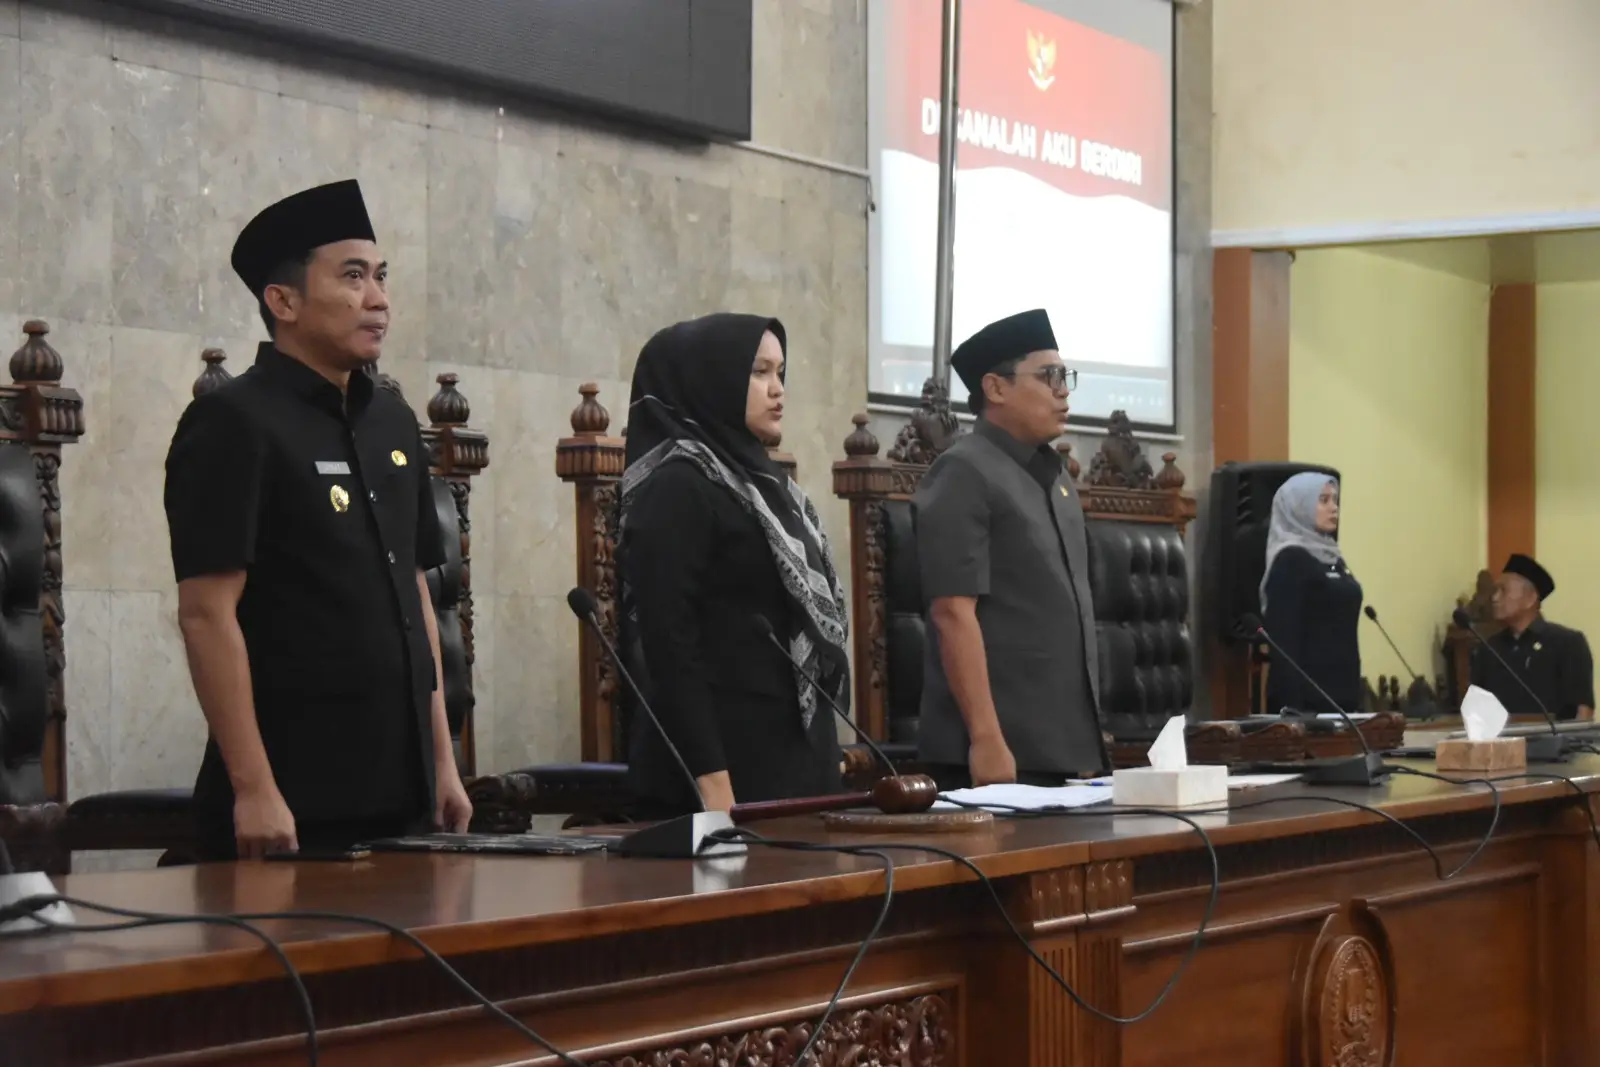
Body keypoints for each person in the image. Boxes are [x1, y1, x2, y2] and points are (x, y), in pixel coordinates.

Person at [164, 179, 473, 861]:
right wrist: (254, 788)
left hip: (407, 797)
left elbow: (414, 592)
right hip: (294, 804)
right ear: (283, 301)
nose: (379, 299)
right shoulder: (232, 422)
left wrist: (443, 763)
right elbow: (206, 614)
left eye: (381, 277)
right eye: (353, 277)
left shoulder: (393, 420)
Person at [617, 314, 851, 814]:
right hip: (722, 772)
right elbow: (669, 645)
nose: (777, 389)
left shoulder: (771, 488)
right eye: (759, 372)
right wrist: (711, 778)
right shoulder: (678, 488)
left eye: (780, 373)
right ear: (712, 380)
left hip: (796, 762)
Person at [912, 308, 1106, 789]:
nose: (1063, 391)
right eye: (1048, 376)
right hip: (996, 754)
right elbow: (952, 613)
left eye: (1065, 377)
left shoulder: (1057, 477)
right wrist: (986, 739)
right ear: (996, 388)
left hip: (1063, 749)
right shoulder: (963, 471)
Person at [1260, 472, 1362, 715]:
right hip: (1306, 706)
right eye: (1323, 500)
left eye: (1335, 500)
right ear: (1299, 506)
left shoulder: (1333, 557)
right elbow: (1284, 644)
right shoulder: (1289, 561)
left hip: (1344, 699)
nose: (1334, 508)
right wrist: (1293, 712)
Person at [1470, 554, 1594, 721]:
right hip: (1500, 738)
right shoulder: (1489, 648)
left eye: (1503, 590)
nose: (1495, 597)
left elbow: (1583, 712)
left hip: (1554, 737)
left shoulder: (1567, 643)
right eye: (1495, 591)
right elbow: (1475, 713)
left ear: (1530, 598)